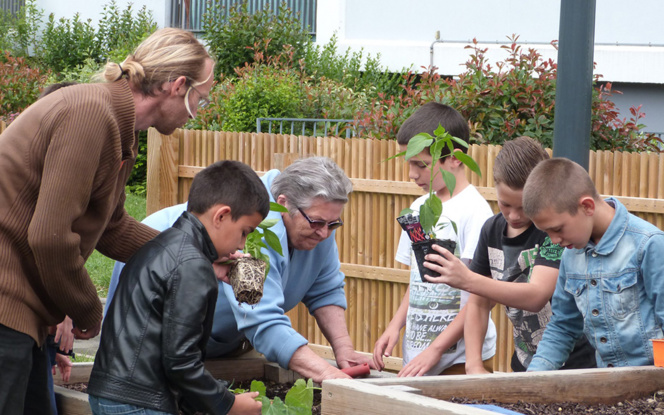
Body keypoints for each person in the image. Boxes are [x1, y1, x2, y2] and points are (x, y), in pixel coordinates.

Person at [0, 27, 214, 415]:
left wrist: (198, 256)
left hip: (21, 315)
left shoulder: (119, 129)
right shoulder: (89, 114)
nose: (196, 113)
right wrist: (86, 308)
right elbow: (50, 237)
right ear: (178, 86)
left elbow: (111, 228)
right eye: (201, 98)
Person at [106, 157, 373, 383]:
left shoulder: (316, 222)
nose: (325, 233)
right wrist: (328, 375)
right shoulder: (255, 238)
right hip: (145, 358)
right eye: (317, 222)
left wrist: (343, 350)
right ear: (284, 203)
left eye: (333, 224)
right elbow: (262, 320)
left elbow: (324, 289)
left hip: (211, 349)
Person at [88, 160, 266, 415]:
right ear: (221, 215)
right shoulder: (193, 267)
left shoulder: (160, 245)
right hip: (141, 402)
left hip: (109, 391)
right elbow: (181, 361)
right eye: (244, 232)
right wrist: (228, 404)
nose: (241, 244)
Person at [422, 137, 596, 372]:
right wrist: (474, 365)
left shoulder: (552, 232)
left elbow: (536, 296)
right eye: (505, 204)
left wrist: (468, 279)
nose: (513, 215)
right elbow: (478, 304)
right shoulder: (491, 230)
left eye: (523, 207)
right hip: (525, 364)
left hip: (576, 365)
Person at [372, 102, 496, 376]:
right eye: (409, 163)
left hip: (459, 360)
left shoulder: (474, 212)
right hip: (418, 355)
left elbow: (481, 294)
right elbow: (418, 280)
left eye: (421, 164)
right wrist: (395, 326)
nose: (412, 174)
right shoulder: (418, 209)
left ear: (455, 158)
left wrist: (437, 349)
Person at [522, 158, 664, 370]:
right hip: (606, 390)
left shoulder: (649, 244)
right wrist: (532, 380)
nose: (553, 240)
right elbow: (563, 326)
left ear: (587, 206)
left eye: (558, 229)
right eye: (547, 233)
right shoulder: (570, 256)